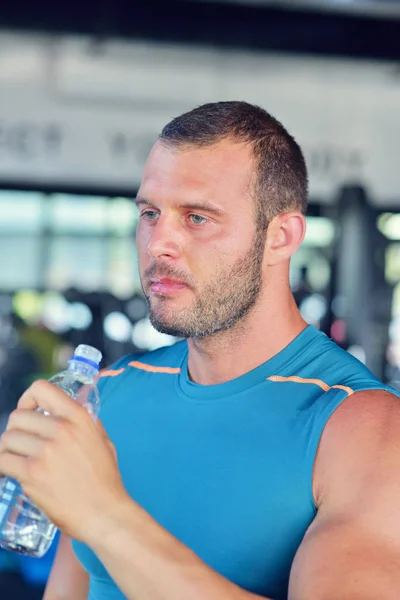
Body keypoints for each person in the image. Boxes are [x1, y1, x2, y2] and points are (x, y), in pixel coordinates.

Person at [0, 101, 399, 600]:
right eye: (150, 214)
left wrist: (105, 513)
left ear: (282, 236)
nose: (158, 243)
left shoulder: (364, 429)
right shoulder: (111, 394)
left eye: (196, 218)